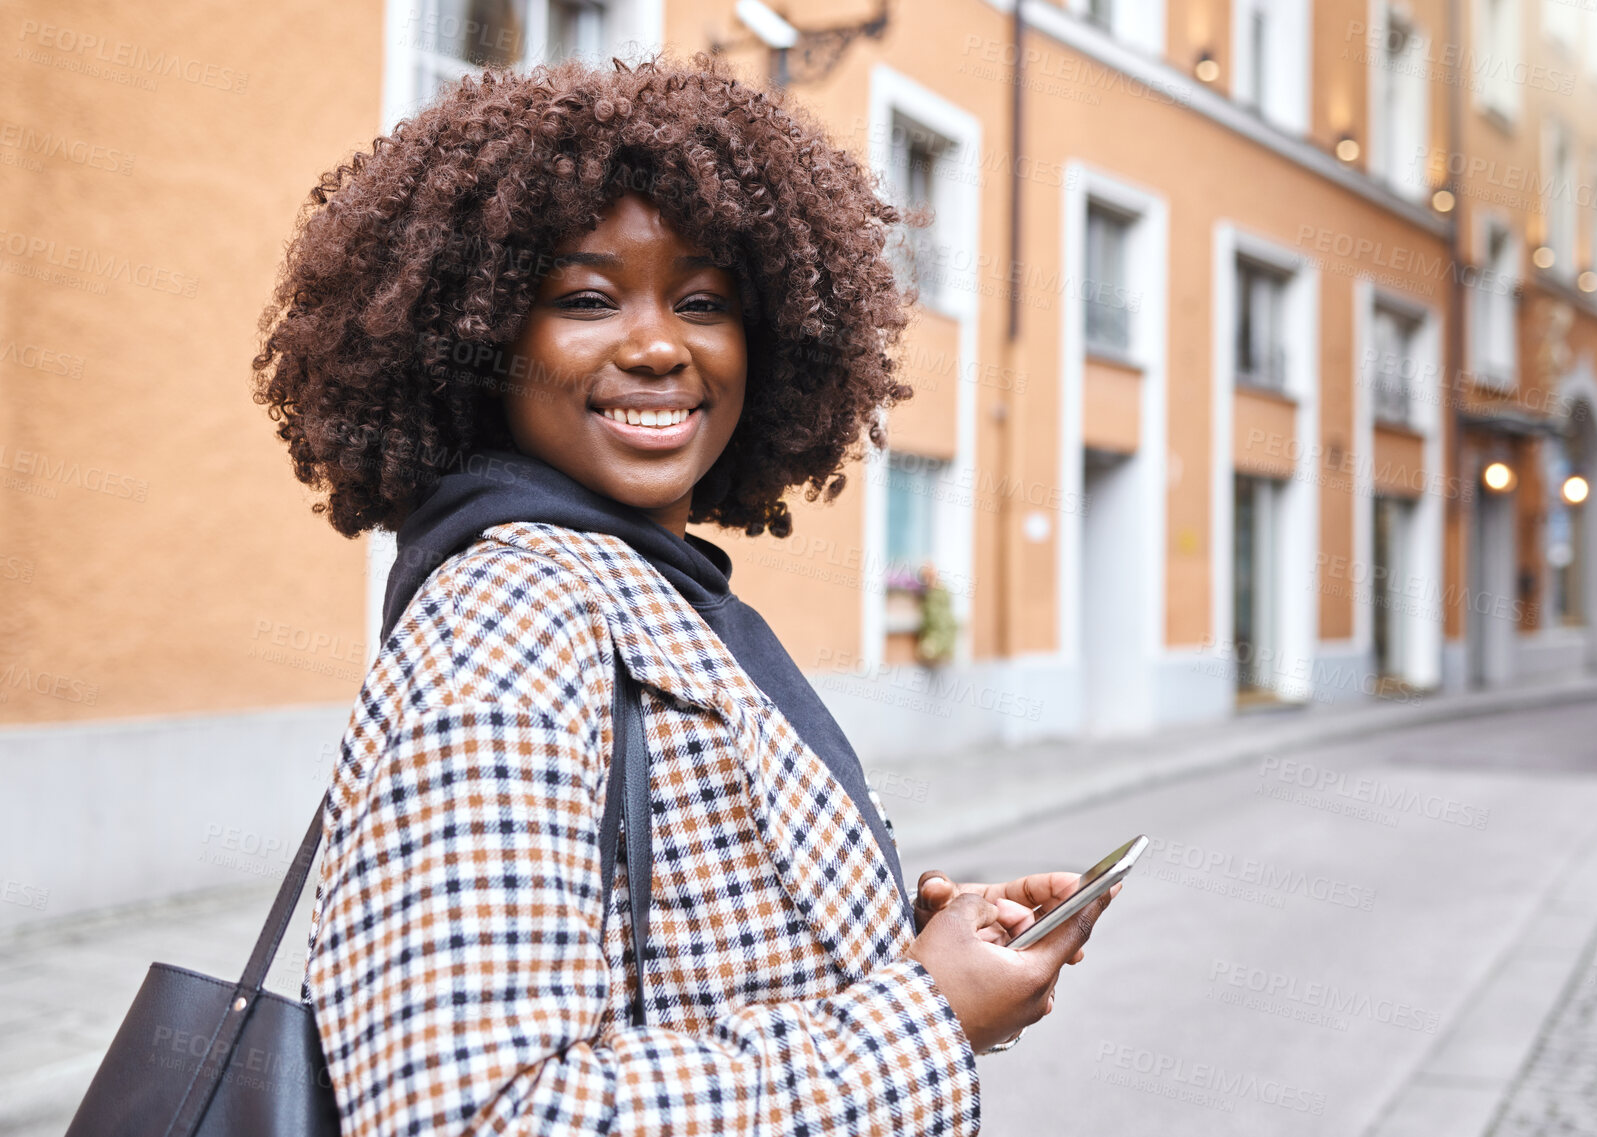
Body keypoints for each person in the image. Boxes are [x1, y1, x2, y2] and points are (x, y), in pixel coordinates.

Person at [253, 52, 1119, 1136]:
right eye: (586, 297)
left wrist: (923, 952)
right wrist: (926, 1015)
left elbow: (694, 958)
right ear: (478, 341)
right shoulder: (512, 616)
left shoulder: (645, 588)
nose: (661, 344)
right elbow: (479, 1114)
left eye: (704, 300)